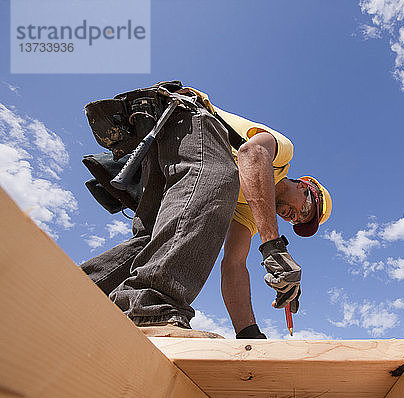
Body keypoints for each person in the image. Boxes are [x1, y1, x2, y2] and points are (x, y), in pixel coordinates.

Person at [81, 84, 332, 339]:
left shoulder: (247, 210)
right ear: (304, 186)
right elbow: (251, 152)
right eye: (306, 209)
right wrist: (273, 247)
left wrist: (248, 334)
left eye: (300, 221)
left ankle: (75, 294)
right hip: (184, 116)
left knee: (156, 237)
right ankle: (149, 311)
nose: (296, 217)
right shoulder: (283, 155)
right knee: (219, 177)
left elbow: (234, 265)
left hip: (161, 145)